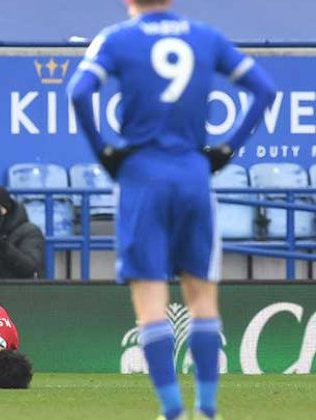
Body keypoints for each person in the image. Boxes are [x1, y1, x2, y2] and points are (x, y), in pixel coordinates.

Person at [68, 1, 276, 419]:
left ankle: (172, 411)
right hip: (193, 174)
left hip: (141, 176)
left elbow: (78, 91)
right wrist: (227, 149)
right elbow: (265, 90)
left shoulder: (116, 38)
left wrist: (105, 151)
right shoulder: (206, 36)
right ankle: (208, 408)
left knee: (150, 302)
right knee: (201, 298)